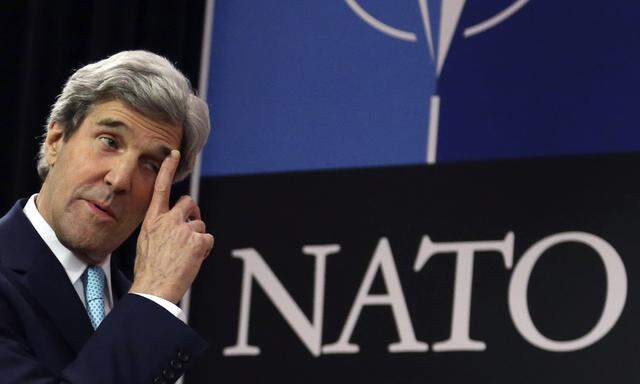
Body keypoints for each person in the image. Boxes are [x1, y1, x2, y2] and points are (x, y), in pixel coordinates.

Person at [0, 50, 214, 383]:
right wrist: (154, 294)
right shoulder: (149, 306)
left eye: (151, 165)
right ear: (56, 140)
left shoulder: (144, 311)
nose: (120, 179)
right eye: (109, 141)